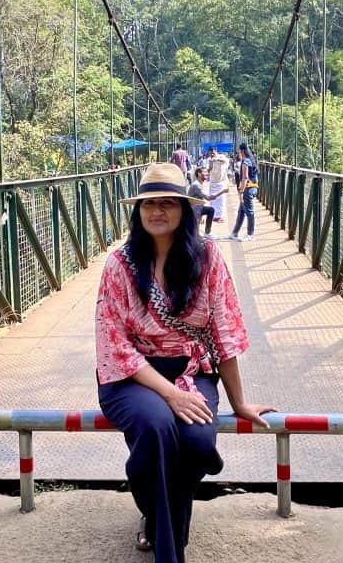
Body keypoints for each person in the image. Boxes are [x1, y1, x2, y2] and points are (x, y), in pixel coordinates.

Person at [95, 163, 275, 562]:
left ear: (185, 209)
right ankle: (170, 547)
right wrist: (170, 396)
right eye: (149, 204)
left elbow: (224, 332)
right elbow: (114, 344)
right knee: (157, 426)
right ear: (137, 212)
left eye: (168, 203)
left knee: (194, 444)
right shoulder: (119, 264)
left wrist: (240, 402)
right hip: (131, 376)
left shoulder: (208, 258)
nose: (157, 211)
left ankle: (155, 512)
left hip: (191, 370)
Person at [228, 143, 259, 242]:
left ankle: (250, 234)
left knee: (249, 212)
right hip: (253, 188)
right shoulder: (252, 160)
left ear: (241, 151)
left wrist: (241, 191)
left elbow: (245, 178)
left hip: (247, 189)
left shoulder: (245, 161)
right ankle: (234, 233)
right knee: (241, 211)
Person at [186, 166, 228, 238]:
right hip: (192, 209)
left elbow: (200, 200)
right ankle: (199, 234)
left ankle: (206, 233)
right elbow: (208, 198)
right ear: (199, 174)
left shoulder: (199, 183)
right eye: (204, 172)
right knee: (209, 210)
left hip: (196, 207)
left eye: (207, 172)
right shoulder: (196, 185)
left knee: (210, 210)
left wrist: (201, 216)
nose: (207, 174)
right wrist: (223, 191)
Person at [206, 147, 229, 223]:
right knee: (213, 200)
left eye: (212, 153)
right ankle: (214, 216)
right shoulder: (209, 160)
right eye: (210, 153)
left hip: (220, 182)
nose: (212, 154)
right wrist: (210, 165)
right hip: (212, 183)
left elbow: (226, 161)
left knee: (221, 201)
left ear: (215, 151)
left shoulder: (221, 156)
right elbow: (208, 170)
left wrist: (217, 159)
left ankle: (220, 217)